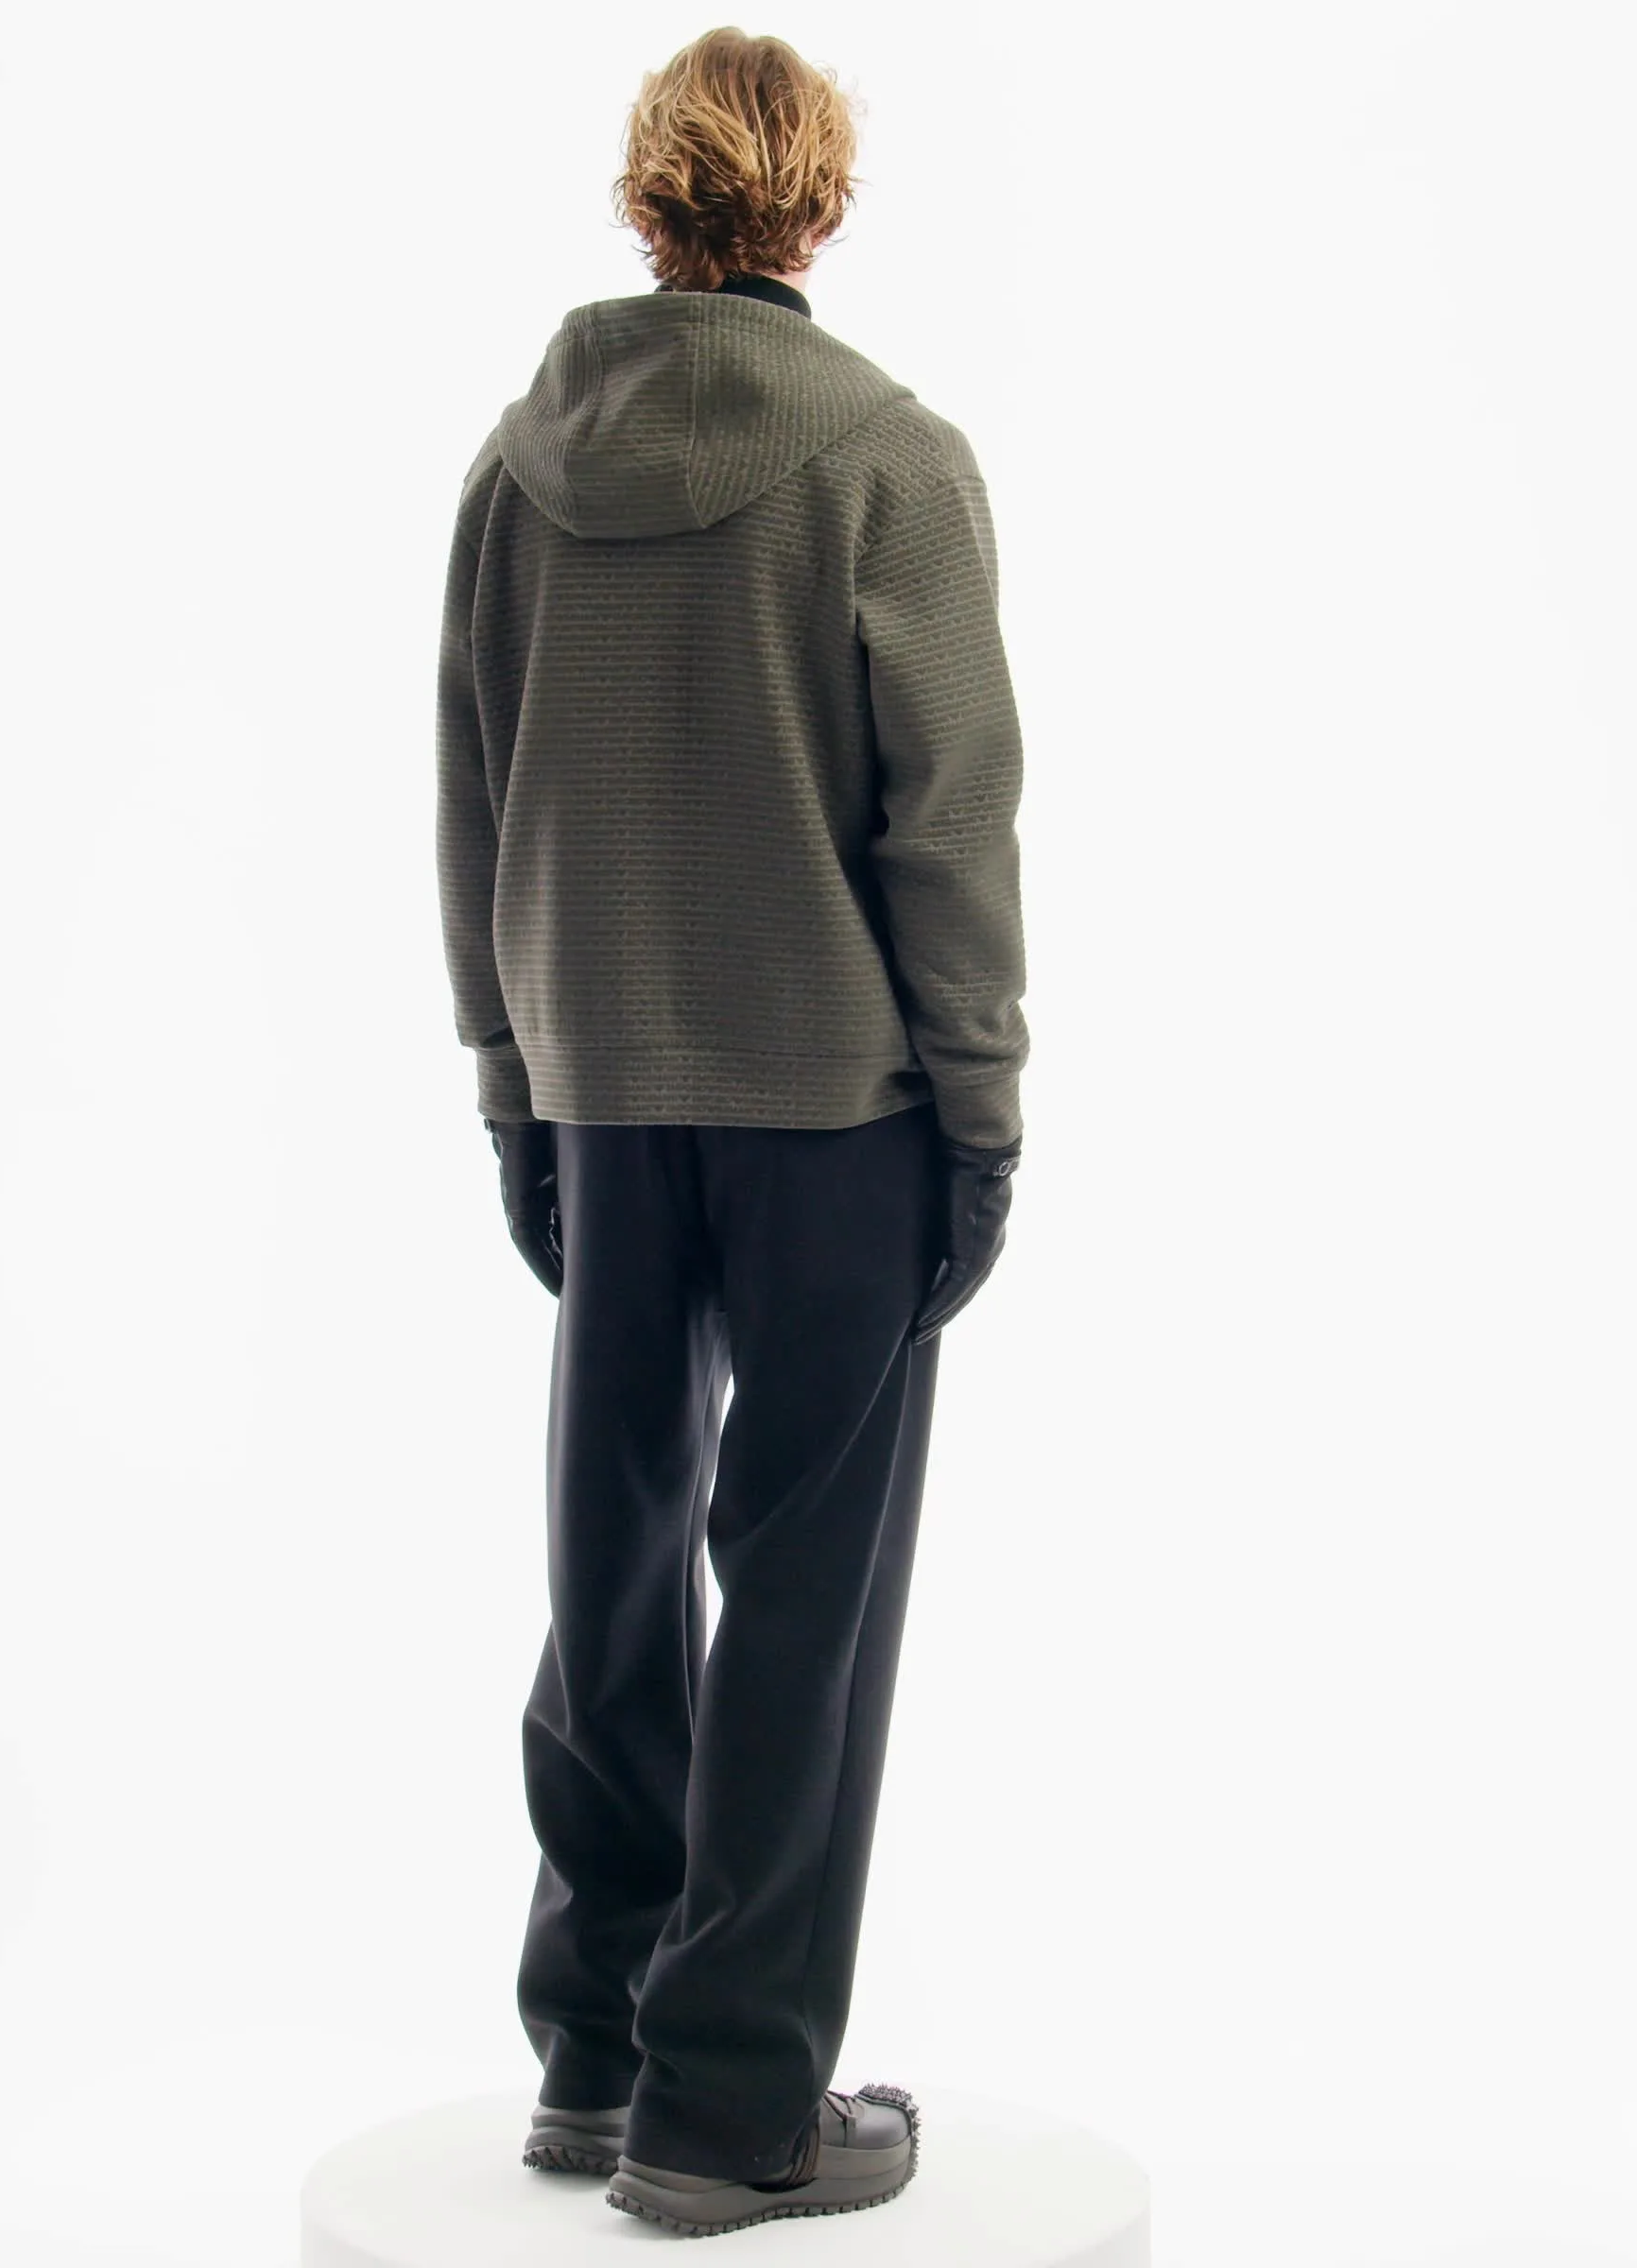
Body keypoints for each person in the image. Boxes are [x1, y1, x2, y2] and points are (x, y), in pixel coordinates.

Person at [434, 25, 1027, 2239]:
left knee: (610, 1550)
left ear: (646, 198)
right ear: (822, 205)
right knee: (803, 1585)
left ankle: (597, 2051)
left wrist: (513, 1076)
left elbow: (471, 782)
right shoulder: (892, 462)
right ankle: (735, 2104)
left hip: (599, 1081)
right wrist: (984, 1109)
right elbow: (948, 820)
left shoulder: (516, 469)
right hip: (834, 1106)